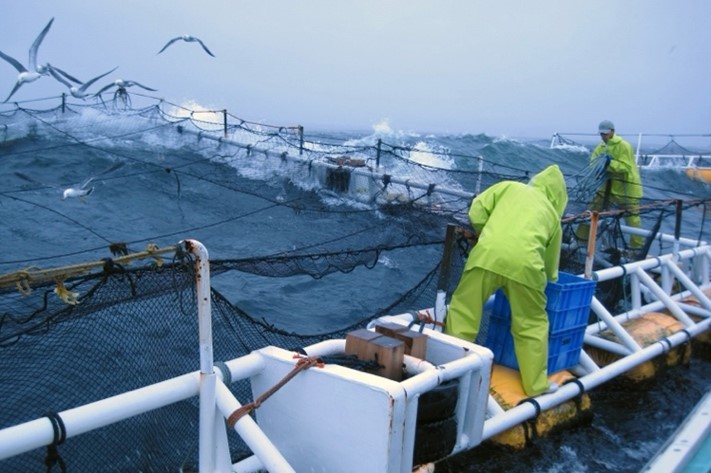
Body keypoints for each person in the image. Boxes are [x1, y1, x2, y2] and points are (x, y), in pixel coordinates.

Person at [444, 165, 568, 396]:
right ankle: (536, 386)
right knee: (531, 324)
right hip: (527, 269)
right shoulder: (552, 215)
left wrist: (486, 231)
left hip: (486, 256)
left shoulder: (509, 187)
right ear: (559, 196)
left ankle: (453, 373)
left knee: (464, 311)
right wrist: (548, 278)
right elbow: (551, 265)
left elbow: (477, 211)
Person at [576, 120, 644, 250]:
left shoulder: (624, 146)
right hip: (606, 188)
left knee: (632, 219)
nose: (603, 136)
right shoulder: (600, 147)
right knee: (590, 211)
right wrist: (598, 167)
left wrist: (609, 164)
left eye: (605, 133)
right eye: (601, 134)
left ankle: (636, 248)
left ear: (613, 131)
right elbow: (593, 163)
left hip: (626, 189)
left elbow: (626, 167)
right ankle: (580, 240)